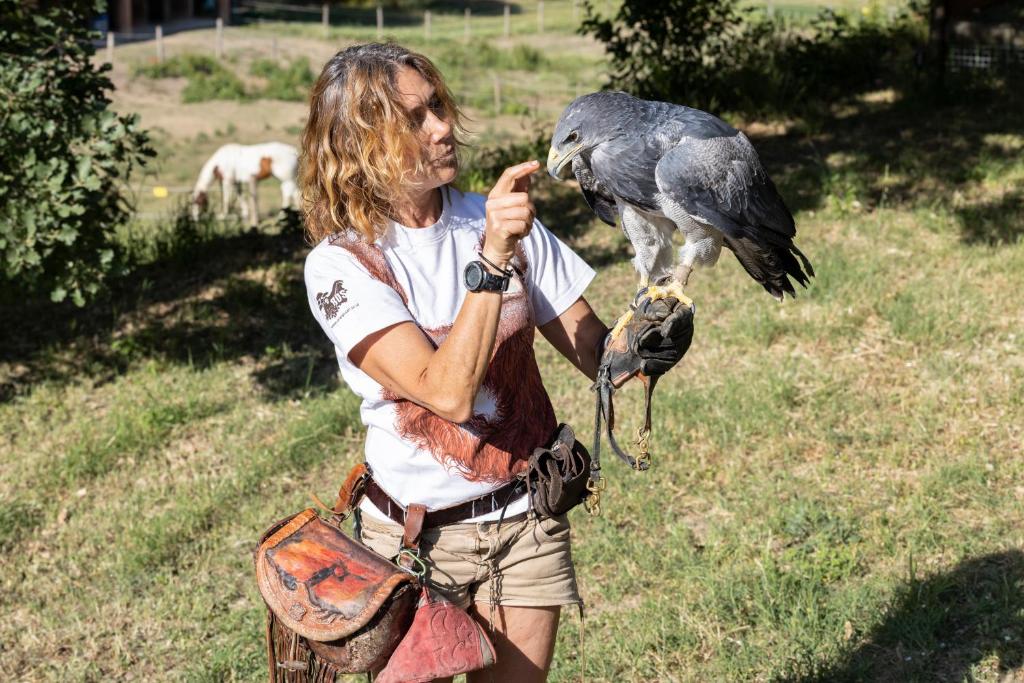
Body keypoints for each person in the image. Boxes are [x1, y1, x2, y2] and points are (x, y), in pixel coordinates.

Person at [301, 43, 691, 682]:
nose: (442, 127)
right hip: (412, 544)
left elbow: (595, 352)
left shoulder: (497, 218)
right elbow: (445, 394)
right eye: (415, 119)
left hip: (524, 523)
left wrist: (650, 335)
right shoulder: (343, 263)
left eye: (438, 108)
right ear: (361, 143)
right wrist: (492, 259)